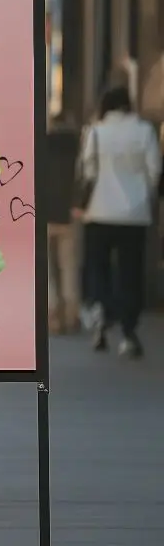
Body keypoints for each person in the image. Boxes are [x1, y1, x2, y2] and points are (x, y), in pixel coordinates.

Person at [79, 85, 161, 357]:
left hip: (99, 210)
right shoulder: (145, 131)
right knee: (131, 273)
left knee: (99, 267)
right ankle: (128, 332)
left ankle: (102, 312)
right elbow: (155, 170)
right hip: (134, 214)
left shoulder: (96, 132)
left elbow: (88, 171)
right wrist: (144, 195)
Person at [46, 112, 81, 333]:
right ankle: (71, 315)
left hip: (44, 214)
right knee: (69, 267)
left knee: (47, 269)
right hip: (69, 214)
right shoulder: (76, 149)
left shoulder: (41, 147)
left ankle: (52, 316)